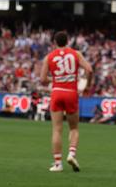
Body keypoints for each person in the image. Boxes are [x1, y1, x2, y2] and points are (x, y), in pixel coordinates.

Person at [40, 31, 93, 172]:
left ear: (55, 43)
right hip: (71, 92)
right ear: (68, 41)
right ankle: (71, 153)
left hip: (57, 92)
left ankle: (57, 163)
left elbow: (43, 79)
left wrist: (56, 79)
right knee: (74, 128)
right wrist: (87, 86)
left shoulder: (49, 57)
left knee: (57, 129)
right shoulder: (76, 54)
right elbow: (89, 69)